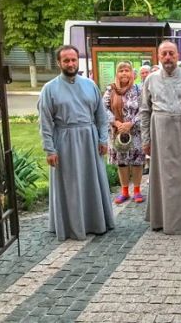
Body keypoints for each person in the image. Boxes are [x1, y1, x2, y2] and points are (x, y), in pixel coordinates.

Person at [38, 45, 114, 241]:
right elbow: (45, 122)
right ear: (59, 63)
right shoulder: (49, 89)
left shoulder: (90, 85)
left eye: (73, 60)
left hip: (89, 139)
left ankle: (95, 222)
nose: (71, 64)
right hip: (64, 140)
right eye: (66, 60)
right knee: (70, 184)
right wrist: (50, 149)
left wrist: (103, 138)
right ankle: (71, 225)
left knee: (91, 180)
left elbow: (101, 116)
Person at [140, 41, 181, 234]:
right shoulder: (150, 80)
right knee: (162, 177)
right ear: (159, 57)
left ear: (177, 55)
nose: (167, 57)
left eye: (171, 53)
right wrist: (146, 139)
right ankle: (161, 219)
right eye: (164, 54)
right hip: (159, 132)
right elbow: (144, 110)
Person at [103, 61, 145, 204]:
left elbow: (144, 109)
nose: (124, 73)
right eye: (121, 71)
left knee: (137, 161)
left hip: (135, 131)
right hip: (117, 132)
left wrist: (131, 123)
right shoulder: (111, 90)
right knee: (122, 162)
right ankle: (125, 191)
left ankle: (137, 191)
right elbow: (104, 108)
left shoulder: (139, 89)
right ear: (117, 74)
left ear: (132, 73)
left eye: (127, 70)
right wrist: (116, 123)